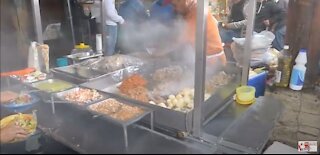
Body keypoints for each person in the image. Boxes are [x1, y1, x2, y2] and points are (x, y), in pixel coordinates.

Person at [170, 0, 226, 65]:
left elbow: (180, 41)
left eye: (175, 5)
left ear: (185, 1)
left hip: (213, 60)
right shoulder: (190, 10)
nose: (174, 9)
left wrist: (160, 53)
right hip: (203, 58)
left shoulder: (197, 12)